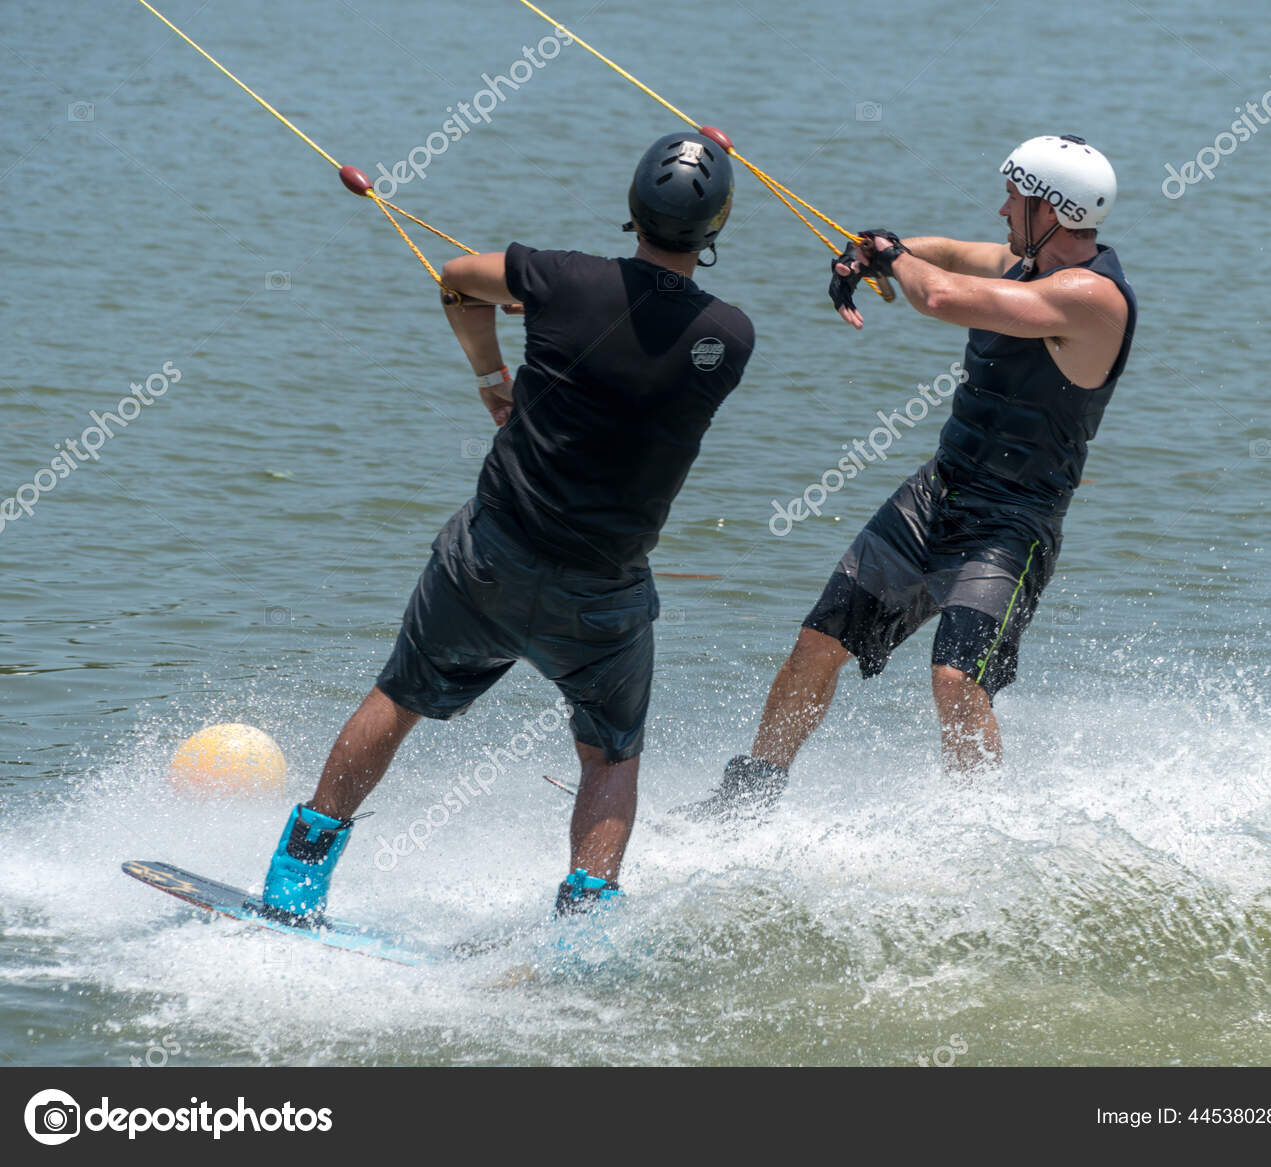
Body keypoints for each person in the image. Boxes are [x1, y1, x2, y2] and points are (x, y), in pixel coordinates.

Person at [260, 130, 754, 919]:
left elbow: (457, 280)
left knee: (398, 697)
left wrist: (494, 378)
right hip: (602, 596)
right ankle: (582, 934)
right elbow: (640, 334)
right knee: (610, 758)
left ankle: (295, 883)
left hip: (487, 561)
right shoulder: (729, 337)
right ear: (717, 226)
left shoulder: (558, 277)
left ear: (631, 207)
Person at [683, 134, 1135, 821]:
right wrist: (875, 249)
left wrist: (896, 260)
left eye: (1014, 195)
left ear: (1050, 207)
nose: (1001, 206)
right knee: (818, 643)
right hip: (937, 494)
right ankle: (746, 798)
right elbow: (949, 257)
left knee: (957, 680)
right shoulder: (1026, 260)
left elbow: (944, 293)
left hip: (1012, 524)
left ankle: (979, 830)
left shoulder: (1091, 297)